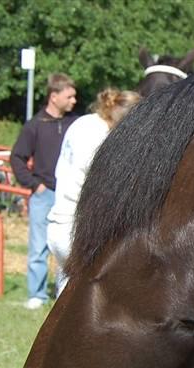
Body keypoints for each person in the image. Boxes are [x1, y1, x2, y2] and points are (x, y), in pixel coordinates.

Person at [47, 88, 141, 295]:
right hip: (78, 229)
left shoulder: (83, 123)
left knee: (67, 296)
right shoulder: (99, 138)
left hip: (59, 222)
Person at [10, 73, 78, 309]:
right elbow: (17, 158)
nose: (74, 101)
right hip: (44, 192)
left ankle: (65, 293)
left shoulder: (75, 124)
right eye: (69, 96)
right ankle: (37, 294)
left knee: (68, 245)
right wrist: (34, 185)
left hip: (69, 195)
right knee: (38, 246)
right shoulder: (35, 126)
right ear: (54, 96)